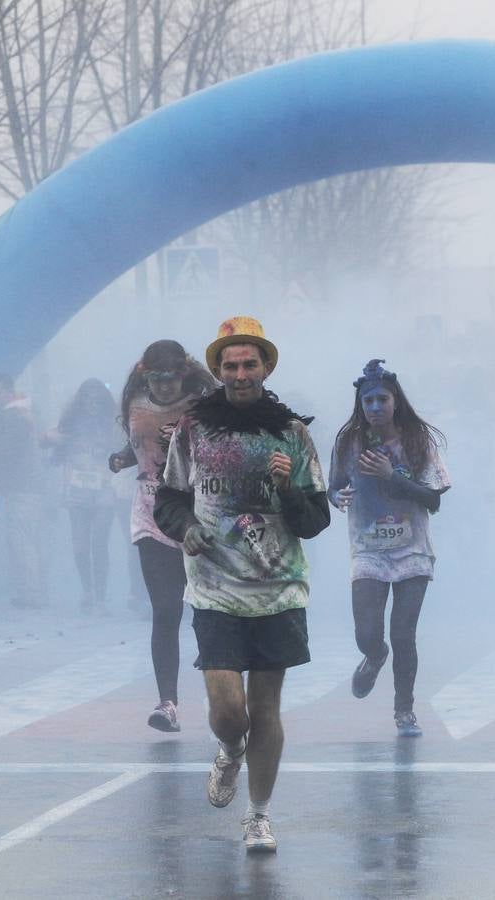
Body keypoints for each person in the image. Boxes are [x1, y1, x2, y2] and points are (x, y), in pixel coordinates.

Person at [154, 316, 330, 853]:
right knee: (230, 711)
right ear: (216, 370)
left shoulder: (292, 434)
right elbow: (168, 498)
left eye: (249, 363)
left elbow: (316, 520)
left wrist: (285, 488)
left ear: (266, 366)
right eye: (230, 365)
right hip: (214, 588)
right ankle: (229, 750)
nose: (240, 373)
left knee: (267, 708)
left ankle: (258, 815)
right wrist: (184, 530)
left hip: (277, 588)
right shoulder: (192, 430)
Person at [329, 359, 450, 738]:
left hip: (412, 551)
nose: (376, 407)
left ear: (395, 401)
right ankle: (374, 656)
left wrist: (390, 476)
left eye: (382, 399)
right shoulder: (348, 441)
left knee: (404, 634)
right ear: (360, 405)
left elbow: (434, 499)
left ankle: (404, 710)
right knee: (368, 632)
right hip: (368, 550)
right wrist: (338, 496)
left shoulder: (418, 442)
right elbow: (332, 486)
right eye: (369, 401)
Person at [107, 339, 216, 732]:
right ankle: (167, 702)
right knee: (166, 611)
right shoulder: (135, 402)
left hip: (197, 515)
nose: (165, 387)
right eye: (157, 379)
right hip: (151, 515)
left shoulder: (202, 405)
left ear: (184, 375)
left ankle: (220, 691)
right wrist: (122, 457)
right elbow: (139, 437)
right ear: (144, 376)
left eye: (172, 378)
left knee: (206, 612)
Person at [44, 378, 119, 613]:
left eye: (96, 398)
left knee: (99, 542)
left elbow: (125, 448)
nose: (92, 402)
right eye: (87, 398)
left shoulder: (113, 424)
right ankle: (87, 590)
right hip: (76, 491)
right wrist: (49, 438)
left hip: (104, 491)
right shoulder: (70, 423)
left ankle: (100, 595)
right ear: (81, 400)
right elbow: (47, 445)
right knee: (79, 545)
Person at [0, 373, 47, 609]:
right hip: (28, 485)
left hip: (22, 486)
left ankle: (31, 594)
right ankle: (36, 591)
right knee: (30, 539)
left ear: (8, 391)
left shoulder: (13, 416)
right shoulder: (24, 412)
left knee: (23, 541)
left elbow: (7, 449)